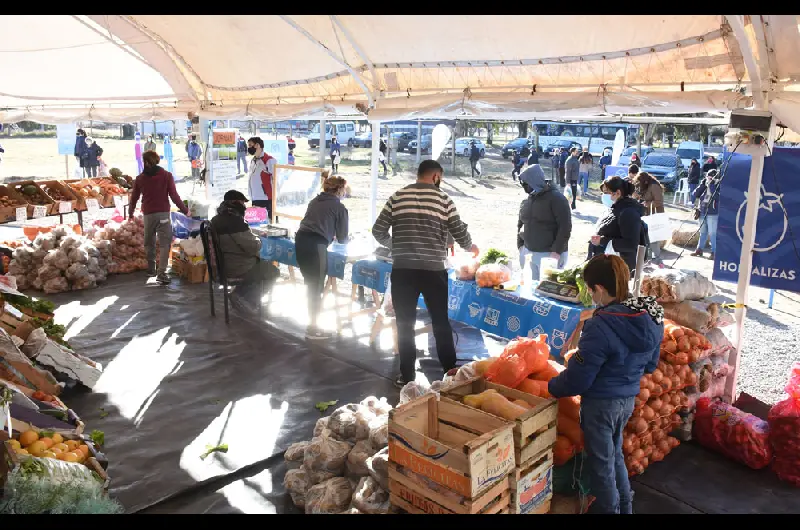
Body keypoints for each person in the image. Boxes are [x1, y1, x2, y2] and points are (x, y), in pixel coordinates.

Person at [548, 254, 664, 515]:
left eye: (590, 290)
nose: (590, 296)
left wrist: (552, 386)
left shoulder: (599, 325)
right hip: (626, 401)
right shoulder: (650, 315)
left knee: (601, 467)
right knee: (614, 457)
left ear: (599, 288)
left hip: (600, 406)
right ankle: (626, 507)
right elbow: (650, 364)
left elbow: (579, 378)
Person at [372, 160, 479, 387]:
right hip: (433, 271)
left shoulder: (398, 196)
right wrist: (471, 247)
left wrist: (395, 245)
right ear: (436, 176)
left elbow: (377, 230)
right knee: (440, 321)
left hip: (403, 270)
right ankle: (451, 374)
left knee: (405, 323)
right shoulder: (444, 200)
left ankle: (407, 376)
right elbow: (458, 230)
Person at [295, 176, 350, 339]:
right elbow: (342, 238)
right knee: (316, 287)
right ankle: (313, 328)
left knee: (310, 285)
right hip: (316, 246)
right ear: (340, 190)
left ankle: (313, 324)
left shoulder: (315, 201)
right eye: (344, 189)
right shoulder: (339, 207)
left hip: (301, 241)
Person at [128, 150, 189, 285]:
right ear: (157, 161)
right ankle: (161, 273)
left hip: (148, 214)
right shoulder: (166, 176)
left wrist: (130, 213)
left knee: (149, 242)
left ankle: (151, 269)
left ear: (145, 162)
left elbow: (134, 198)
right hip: (163, 214)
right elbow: (174, 196)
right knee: (164, 243)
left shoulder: (140, 178)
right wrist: (186, 211)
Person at [211, 190, 280, 306]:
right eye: (243, 202)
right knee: (272, 271)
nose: (244, 206)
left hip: (220, 266)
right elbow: (253, 247)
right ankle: (245, 300)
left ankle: (239, 294)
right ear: (235, 203)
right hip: (237, 267)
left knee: (262, 267)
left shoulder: (216, 219)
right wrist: (259, 239)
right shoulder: (234, 222)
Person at [517, 165, 572, 281]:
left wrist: (557, 251)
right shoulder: (529, 199)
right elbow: (521, 223)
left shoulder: (557, 199)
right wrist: (520, 245)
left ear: (533, 181)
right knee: (532, 290)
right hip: (530, 251)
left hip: (550, 254)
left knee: (547, 290)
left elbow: (565, 227)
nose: (525, 187)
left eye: (526, 183)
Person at [589, 176, 646, 273]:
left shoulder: (628, 212)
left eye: (606, 192)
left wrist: (602, 240)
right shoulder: (615, 208)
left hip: (619, 267)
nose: (604, 195)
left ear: (618, 193)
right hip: (607, 264)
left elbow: (631, 243)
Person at [246, 136, 277, 220]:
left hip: (265, 198)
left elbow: (276, 180)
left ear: (257, 145)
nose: (249, 148)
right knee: (257, 223)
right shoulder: (253, 160)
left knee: (269, 221)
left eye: (250, 145)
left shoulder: (269, 160)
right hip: (254, 196)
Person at [691, 169, 720, 259]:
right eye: (708, 177)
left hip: (713, 213)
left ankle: (714, 252)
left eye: (711, 178)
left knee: (712, 233)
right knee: (703, 232)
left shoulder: (719, 186)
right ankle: (699, 249)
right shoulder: (704, 184)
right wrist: (702, 185)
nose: (709, 179)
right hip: (702, 211)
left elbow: (717, 197)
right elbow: (695, 194)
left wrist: (712, 185)